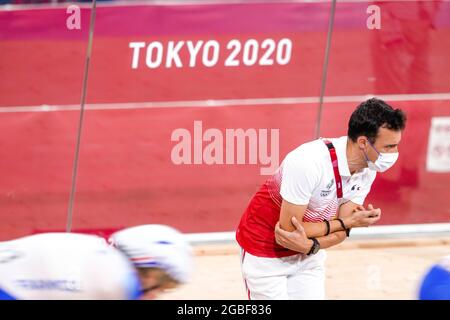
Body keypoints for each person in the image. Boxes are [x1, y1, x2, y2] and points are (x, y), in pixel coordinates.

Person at [236, 98, 407, 299]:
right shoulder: (308, 162)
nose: (394, 153)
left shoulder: (367, 170)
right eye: (389, 146)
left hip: (309, 254)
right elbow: (289, 231)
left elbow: (341, 233)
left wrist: (313, 245)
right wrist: (345, 222)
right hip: (265, 250)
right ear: (363, 142)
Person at [0, 224, 192, 300]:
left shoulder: (102, 254)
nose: (156, 296)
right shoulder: (121, 282)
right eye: (162, 283)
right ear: (145, 266)